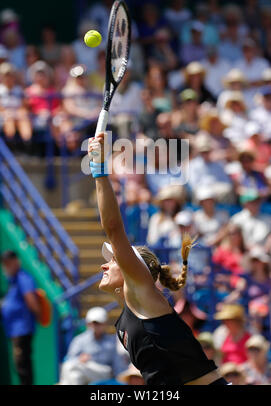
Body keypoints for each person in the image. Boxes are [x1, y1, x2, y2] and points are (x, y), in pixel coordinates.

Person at [88, 132, 228, 385]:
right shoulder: (124, 323)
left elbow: (113, 227)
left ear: (134, 269)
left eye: (113, 259)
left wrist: (99, 171)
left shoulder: (142, 291)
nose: (104, 264)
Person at [0, 250, 41, 385]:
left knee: (23, 365)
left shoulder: (23, 278)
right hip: (15, 330)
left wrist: (38, 314)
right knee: (20, 365)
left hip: (22, 329)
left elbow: (31, 301)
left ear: (15, 262)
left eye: (8, 264)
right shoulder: (14, 280)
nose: (5, 267)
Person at [59, 307, 126, 385]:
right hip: (83, 370)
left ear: (104, 324)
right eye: (92, 323)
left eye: (98, 323)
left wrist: (120, 377)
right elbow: (70, 358)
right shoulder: (79, 340)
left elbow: (118, 363)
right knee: (75, 376)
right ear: (88, 324)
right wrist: (79, 359)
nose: (95, 326)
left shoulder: (112, 341)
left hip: (104, 373)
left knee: (69, 367)